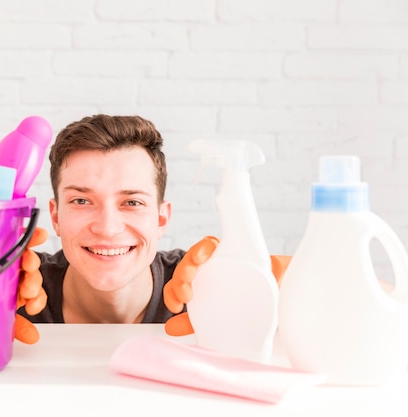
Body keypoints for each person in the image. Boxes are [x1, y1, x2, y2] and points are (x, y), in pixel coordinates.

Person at [15, 114, 291, 337]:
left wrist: (284, 294)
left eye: (132, 202)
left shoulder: (207, 293)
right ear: (55, 217)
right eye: (82, 201)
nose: (108, 228)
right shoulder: (13, 294)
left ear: (161, 218)